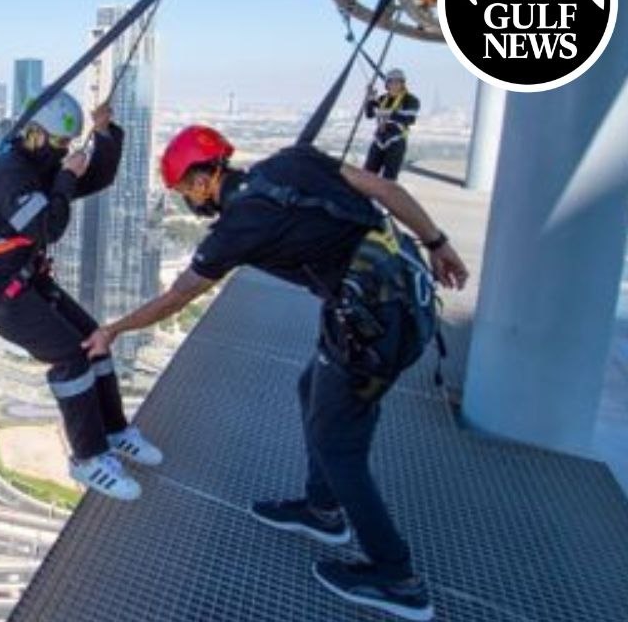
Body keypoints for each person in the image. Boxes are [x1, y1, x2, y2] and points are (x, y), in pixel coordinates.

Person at [83, 126, 468, 621]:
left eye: (183, 190)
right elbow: (387, 191)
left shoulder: (235, 230)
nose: (186, 201)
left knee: (339, 447)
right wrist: (437, 243)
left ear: (203, 181)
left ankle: (397, 578)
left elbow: (177, 296)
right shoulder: (292, 161)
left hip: (371, 329)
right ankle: (321, 509)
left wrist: (113, 330)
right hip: (395, 294)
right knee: (311, 388)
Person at [0, 92, 162, 501]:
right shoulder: (9, 173)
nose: (62, 152)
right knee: (70, 354)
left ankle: (115, 430)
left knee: (93, 339)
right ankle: (88, 459)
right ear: (34, 135)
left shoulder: (40, 165)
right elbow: (47, 228)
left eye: (66, 146)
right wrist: (66, 177)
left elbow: (99, 179)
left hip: (23, 281)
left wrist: (104, 135)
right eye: (57, 144)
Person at [363, 68, 420, 180]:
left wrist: (388, 113)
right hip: (379, 140)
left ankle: (384, 196)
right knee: (367, 175)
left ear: (402, 84)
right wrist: (370, 99)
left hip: (396, 141)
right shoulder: (383, 98)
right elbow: (369, 114)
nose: (394, 85)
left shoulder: (410, 100)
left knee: (389, 178)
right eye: (391, 82)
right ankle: (364, 196)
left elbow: (409, 119)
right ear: (387, 84)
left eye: (397, 82)